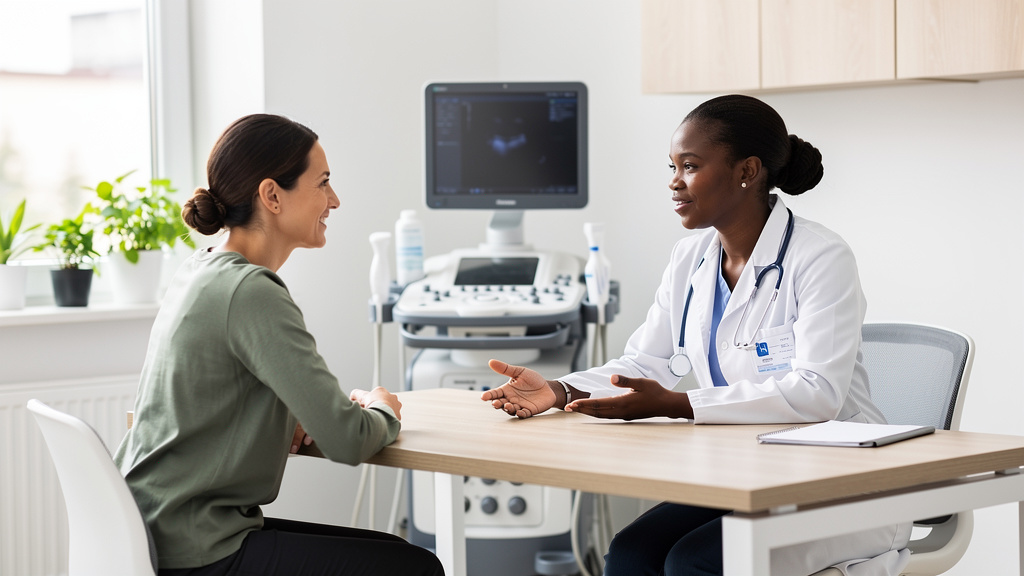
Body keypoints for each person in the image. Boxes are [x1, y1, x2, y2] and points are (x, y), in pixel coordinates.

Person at [480, 95, 911, 576]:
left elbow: (818, 395)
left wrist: (677, 405)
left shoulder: (820, 257)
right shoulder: (691, 258)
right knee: (631, 553)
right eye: (672, 165)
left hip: (843, 485)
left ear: (747, 171)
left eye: (690, 165)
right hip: (752, 475)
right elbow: (645, 364)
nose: (674, 181)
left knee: (692, 563)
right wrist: (560, 390)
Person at [114, 114, 443, 576]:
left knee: (398, 555)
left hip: (154, 528)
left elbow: (212, 395)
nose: (335, 200)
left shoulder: (200, 269)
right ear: (271, 195)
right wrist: (384, 407)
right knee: (413, 569)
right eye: (323, 183)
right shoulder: (251, 291)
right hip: (198, 549)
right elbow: (349, 440)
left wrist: (281, 416)